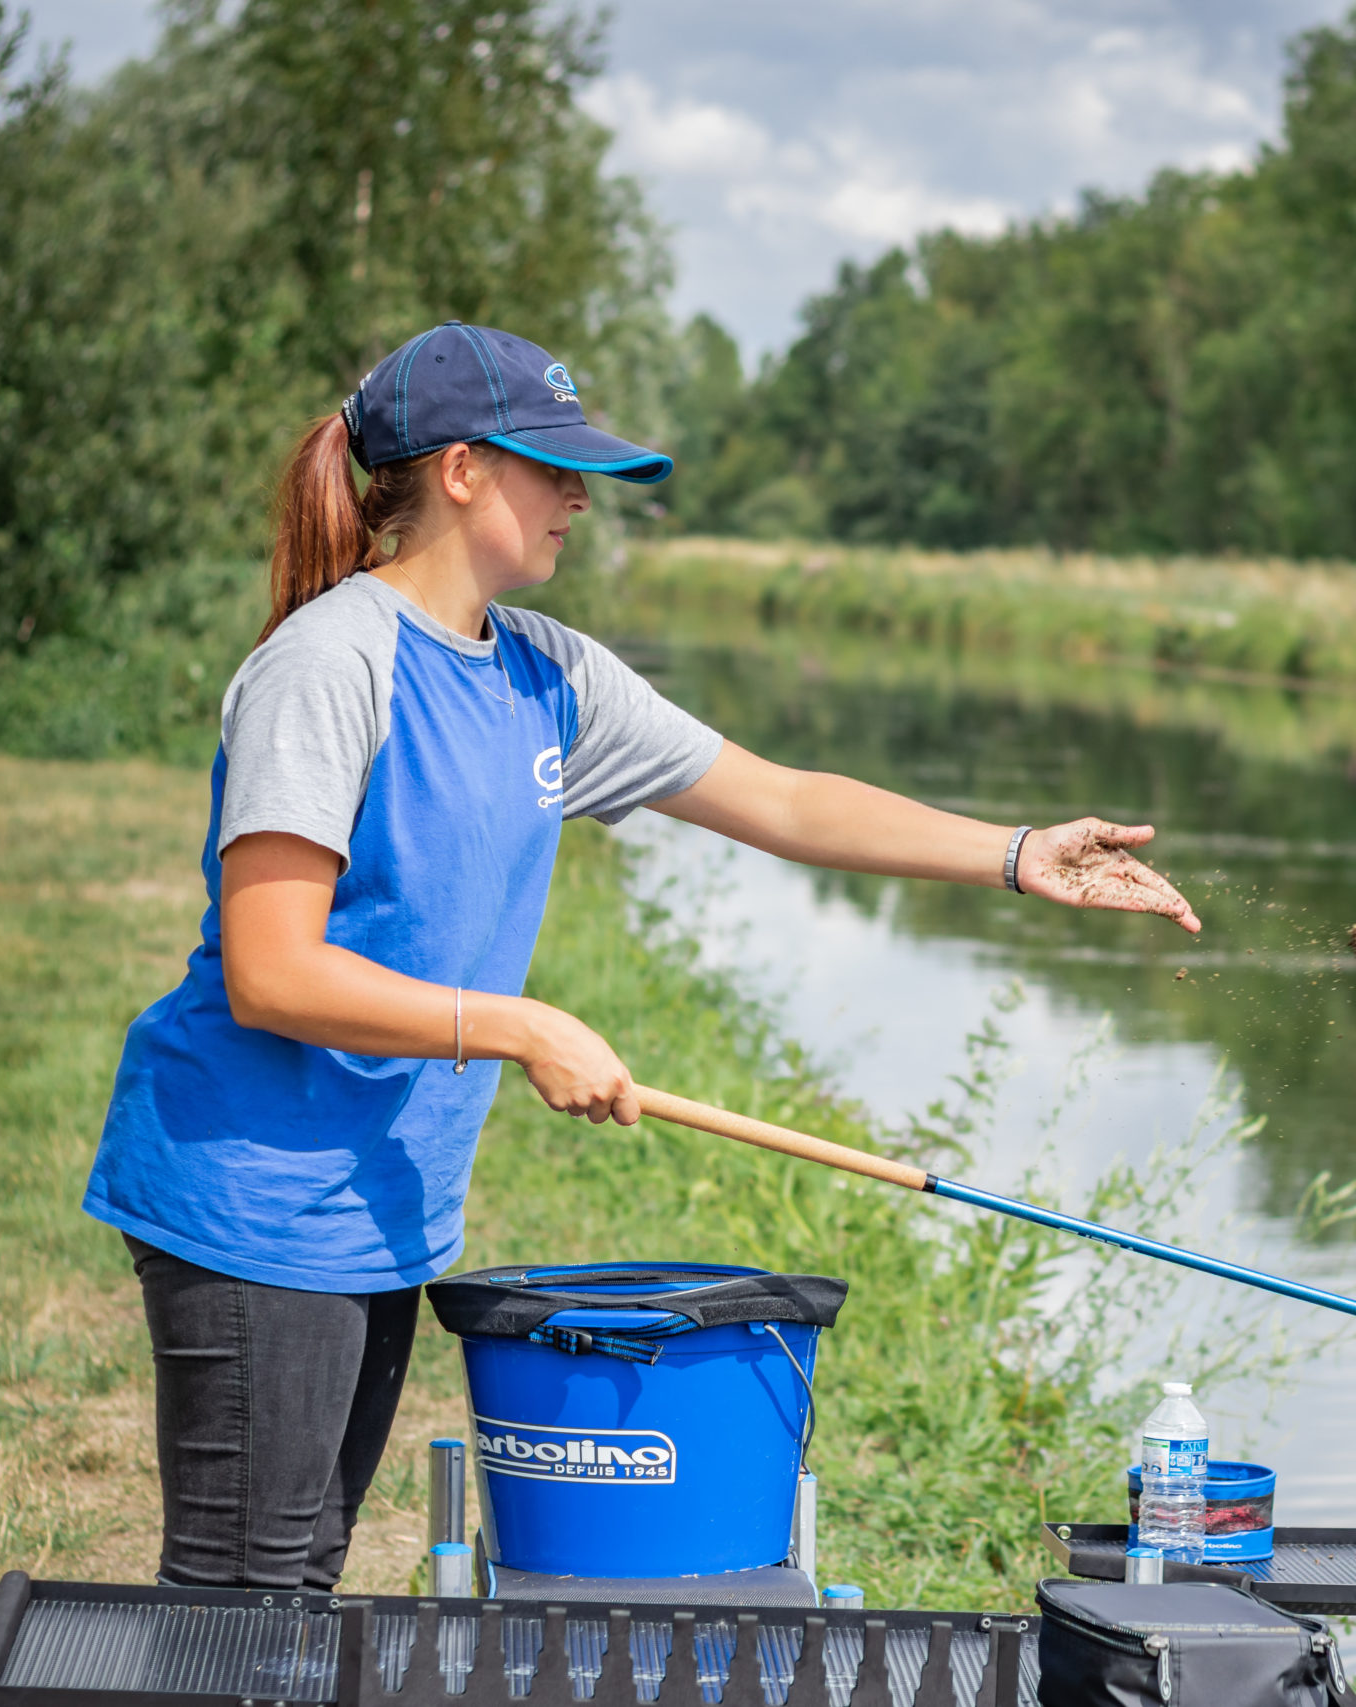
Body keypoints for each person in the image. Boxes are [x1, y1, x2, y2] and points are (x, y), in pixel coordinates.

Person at [83, 321, 1201, 1591]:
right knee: (246, 1594)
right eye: (550, 467)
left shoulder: (545, 675)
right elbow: (270, 973)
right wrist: (518, 1025)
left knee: (298, 1578)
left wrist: (1014, 853)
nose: (577, 498)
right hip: (252, 1192)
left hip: (376, 1202)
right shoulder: (329, 666)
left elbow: (779, 801)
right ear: (458, 470)